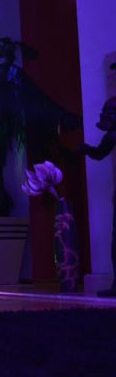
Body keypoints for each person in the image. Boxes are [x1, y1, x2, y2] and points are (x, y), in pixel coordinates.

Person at [80, 95, 116, 297]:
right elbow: (99, 153)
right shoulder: (111, 135)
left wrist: (87, 150)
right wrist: (88, 150)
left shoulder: (112, 135)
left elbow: (99, 153)